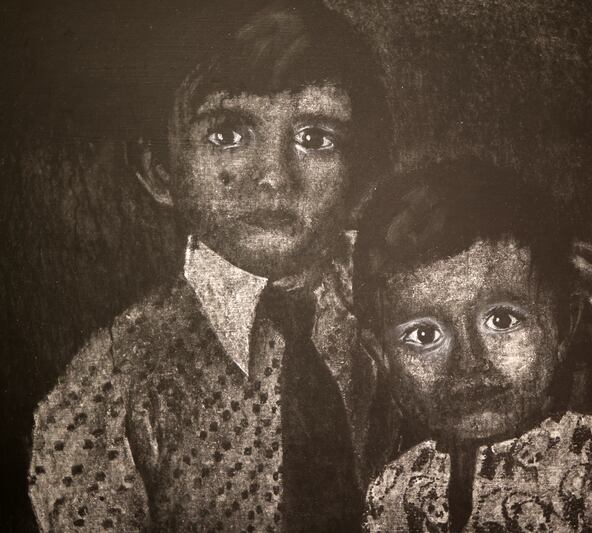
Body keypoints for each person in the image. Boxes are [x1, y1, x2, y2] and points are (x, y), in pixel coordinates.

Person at [28, 2, 389, 531]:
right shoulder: (111, 384)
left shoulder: (402, 304)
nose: (274, 177)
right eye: (228, 134)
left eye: (315, 138)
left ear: (360, 172)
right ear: (159, 171)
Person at [353, 160, 592, 532]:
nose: (469, 362)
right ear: (381, 355)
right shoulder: (396, 489)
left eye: (501, 321)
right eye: (425, 336)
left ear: (562, 326)